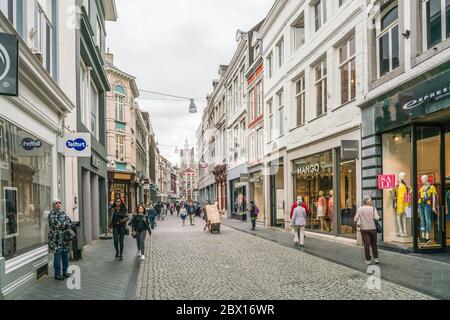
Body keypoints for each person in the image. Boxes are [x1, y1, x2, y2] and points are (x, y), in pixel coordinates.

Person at [48, 199, 73, 280]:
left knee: (65, 255)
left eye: (59, 203)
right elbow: (57, 225)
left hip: (64, 239)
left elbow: (69, 222)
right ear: (53, 205)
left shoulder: (63, 213)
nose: (58, 204)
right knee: (58, 256)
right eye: (56, 203)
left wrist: (65, 224)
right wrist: (64, 224)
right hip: (56, 239)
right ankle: (57, 274)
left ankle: (65, 272)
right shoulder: (51, 214)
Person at [354, 196, 380, 265]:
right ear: (368, 201)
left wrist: (360, 221)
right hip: (373, 229)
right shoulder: (373, 208)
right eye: (371, 200)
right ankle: (376, 258)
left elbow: (355, 218)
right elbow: (377, 218)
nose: (371, 202)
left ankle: (368, 260)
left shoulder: (360, 209)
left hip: (364, 229)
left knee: (366, 244)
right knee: (374, 244)